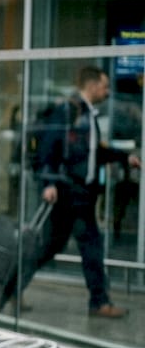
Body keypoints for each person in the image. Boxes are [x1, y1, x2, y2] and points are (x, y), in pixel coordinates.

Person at [30, 66, 141, 318]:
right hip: (70, 192)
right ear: (91, 86)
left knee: (52, 246)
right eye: (104, 86)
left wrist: (124, 158)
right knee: (90, 246)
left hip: (80, 193)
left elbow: (93, 152)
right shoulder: (69, 111)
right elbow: (49, 147)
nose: (108, 91)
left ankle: (10, 286)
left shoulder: (87, 116)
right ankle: (99, 302)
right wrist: (48, 183)